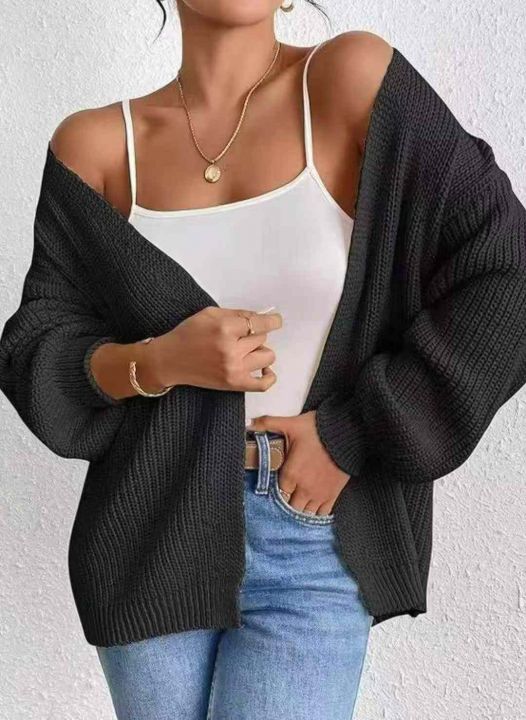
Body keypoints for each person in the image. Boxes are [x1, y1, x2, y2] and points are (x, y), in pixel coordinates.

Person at [2, 1, 525, 719]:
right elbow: (36, 349)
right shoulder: (94, 146)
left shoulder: (347, 81)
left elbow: (507, 271)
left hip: (310, 533)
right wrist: (160, 361)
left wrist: (351, 433)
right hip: (151, 529)